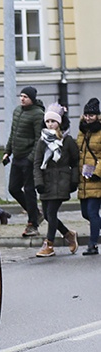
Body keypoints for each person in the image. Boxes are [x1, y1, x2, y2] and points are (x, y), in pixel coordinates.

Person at [33, 105, 79, 257]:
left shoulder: (67, 141)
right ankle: (69, 234)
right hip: (46, 183)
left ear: (59, 122)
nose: (50, 124)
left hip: (61, 182)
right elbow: (37, 163)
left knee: (51, 213)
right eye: (48, 121)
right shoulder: (42, 141)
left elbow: (75, 162)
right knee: (47, 215)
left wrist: (73, 181)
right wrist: (38, 182)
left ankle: (49, 245)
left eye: (53, 121)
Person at [2, 86, 45, 237]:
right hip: (17, 158)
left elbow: (39, 139)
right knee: (13, 188)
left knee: (29, 190)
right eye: (21, 96)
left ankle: (33, 223)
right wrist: (7, 152)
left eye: (25, 96)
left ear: (32, 99)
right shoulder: (17, 111)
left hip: (29, 159)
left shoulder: (38, 114)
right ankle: (36, 213)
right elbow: (13, 134)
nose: (22, 99)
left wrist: (31, 158)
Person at [76, 97, 101, 255]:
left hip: (96, 179)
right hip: (83, 179)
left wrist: (97, 173)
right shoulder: (82, 130)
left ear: (97, 116)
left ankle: (92, 244)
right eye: (86, 115)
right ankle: (95, 232)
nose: (88, 117)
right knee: (85, 213)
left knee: (92, 212)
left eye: (91, 115)